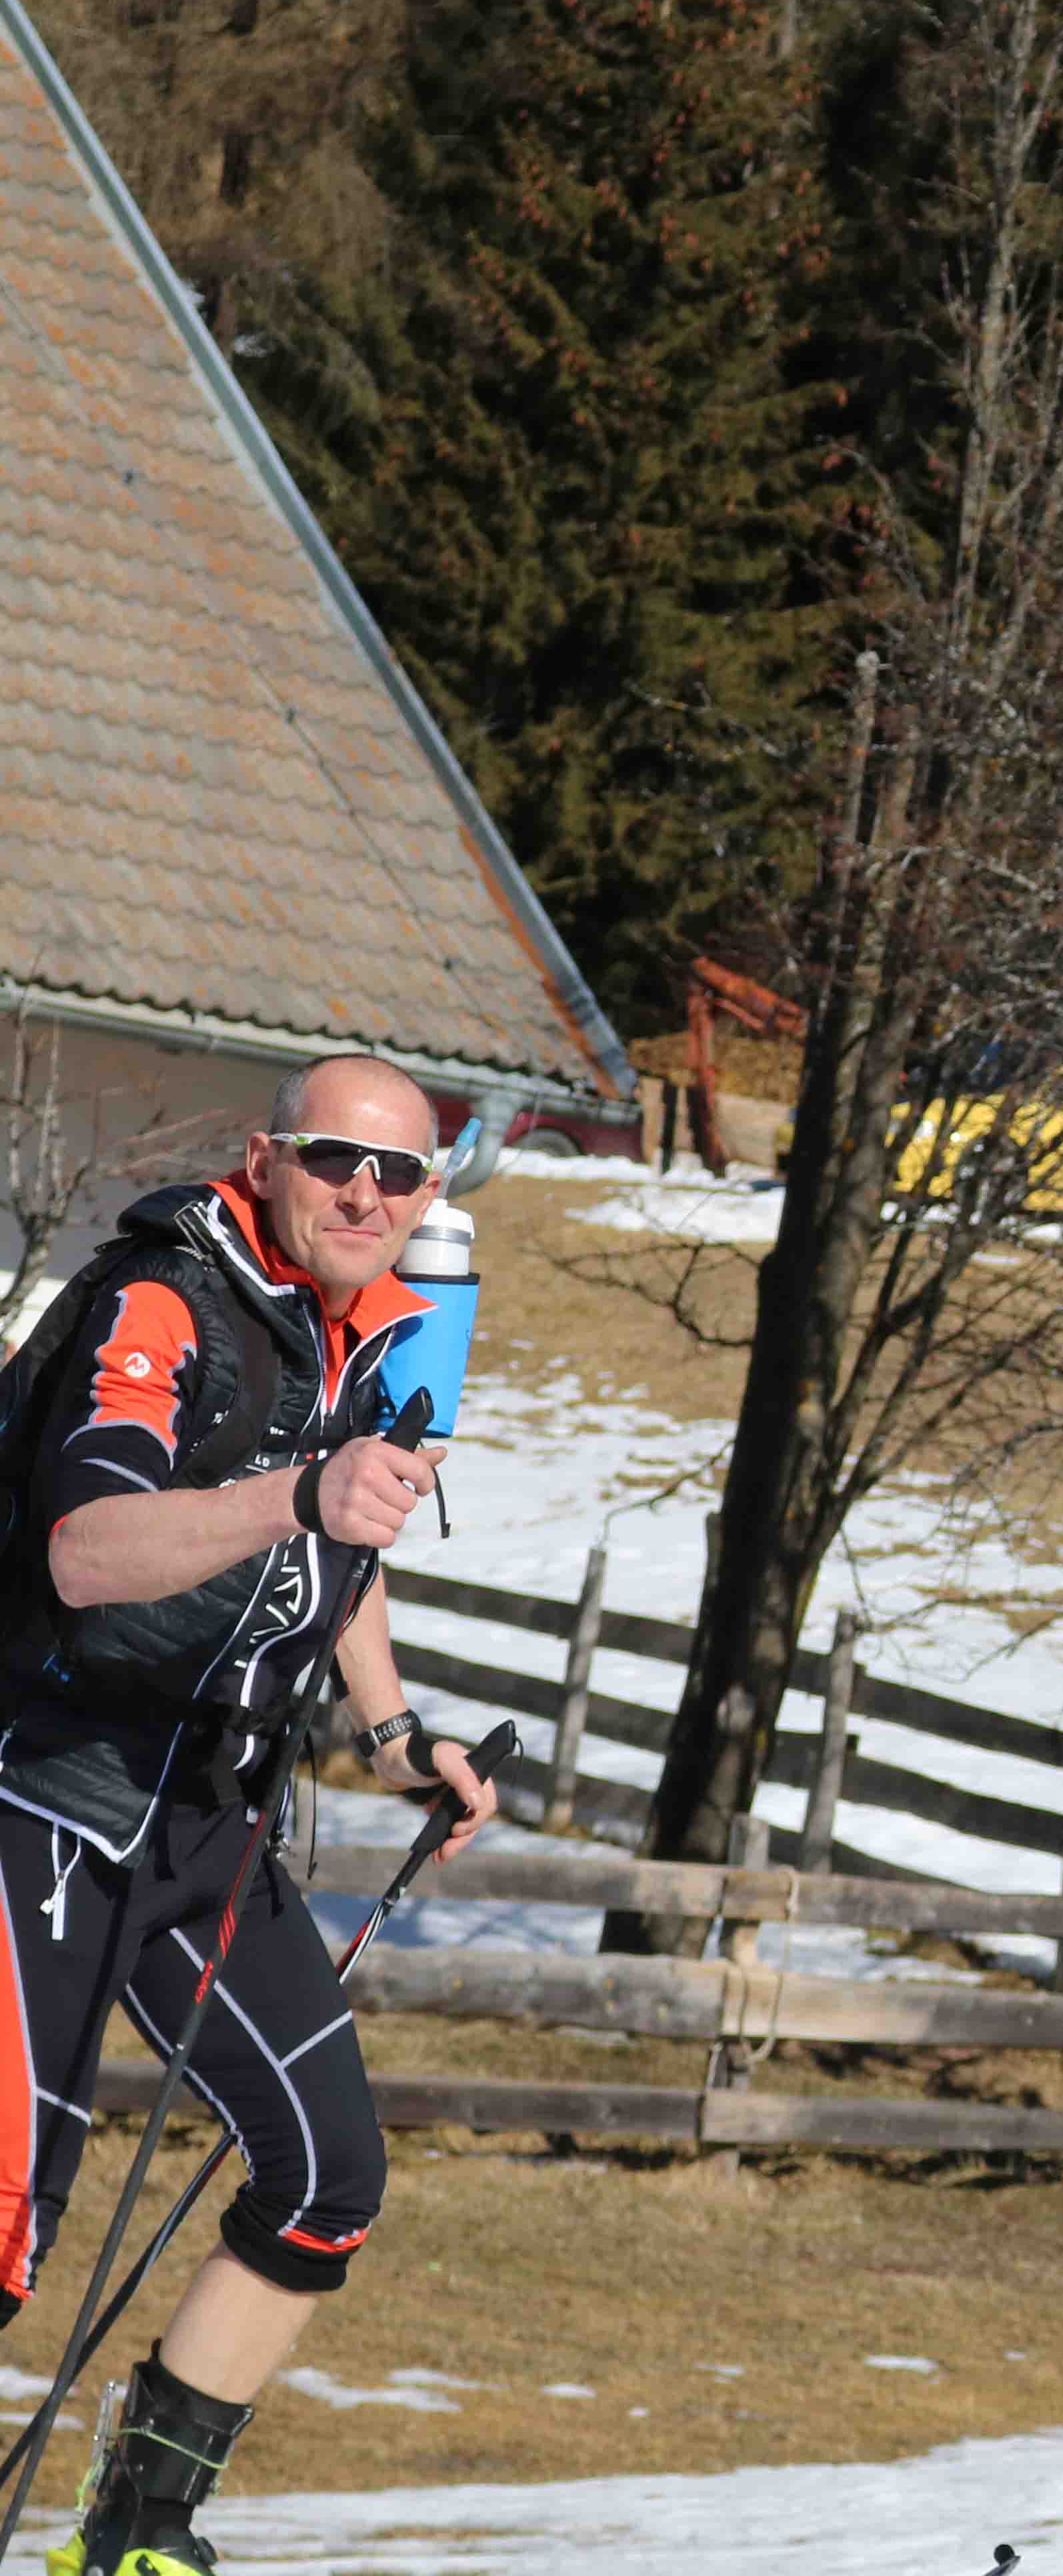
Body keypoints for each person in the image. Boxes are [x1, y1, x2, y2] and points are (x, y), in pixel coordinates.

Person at [0, 1055, 495, 2576]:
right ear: (267, 1154)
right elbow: (83, 1549)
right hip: (50, 1797)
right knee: (4, 2228)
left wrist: (395, 1731)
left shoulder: (370, 1327)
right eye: (337, 1158)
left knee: (326, 2179)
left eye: (400, 1173)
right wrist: (299, 1493)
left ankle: (136, 2537)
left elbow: (356, 1536)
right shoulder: (160, 1299)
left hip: (213, 1818)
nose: (367, 1193)